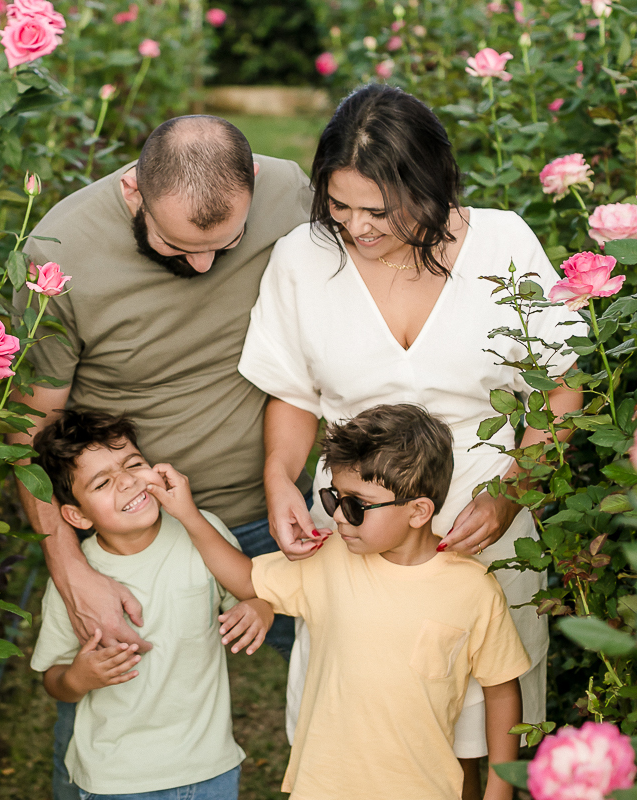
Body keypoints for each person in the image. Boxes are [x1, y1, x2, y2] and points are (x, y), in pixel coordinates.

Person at [237, 84, 586, 797]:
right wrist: (280, 481)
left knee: (483, 711)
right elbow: (292, 394)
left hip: (481, 520)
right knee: (361, 715)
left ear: (431, 186)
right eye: (340, 206)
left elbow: (561, 388)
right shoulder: (303, 257)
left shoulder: (503, 243)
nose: (358, 228)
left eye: (380, 210)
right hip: (356, 518)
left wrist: (512, 493)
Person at [8, 116, 312, 797]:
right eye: (176, 245)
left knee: (353, 681)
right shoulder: (58, 253)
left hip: (269, 510)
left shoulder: (289, 192)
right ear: (132, 193)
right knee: (107, 714)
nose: (202, 266)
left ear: (254, 185)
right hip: (131, 537)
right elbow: (30, 423)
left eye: (224, 245)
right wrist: (67, 566)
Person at [158, 404, 529, 800]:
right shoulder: (331, 559)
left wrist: (500, 788)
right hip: (323, 788)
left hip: (424, 789)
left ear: (418, 511)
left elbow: (502, 690)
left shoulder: (473, 589)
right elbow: (248, 578)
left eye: (355, 505)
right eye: (334, 499)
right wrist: (188, 515)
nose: (337, 517)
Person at [29, 409, 274, 800]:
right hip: (115, 780)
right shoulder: (76, 582)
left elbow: (251, 591)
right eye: (102, 482)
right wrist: (79, 678)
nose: (127, 482)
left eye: (133, 464)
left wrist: (261, 608)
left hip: (209, 767)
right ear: (76, 515)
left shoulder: (201, 531)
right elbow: (54, 680)